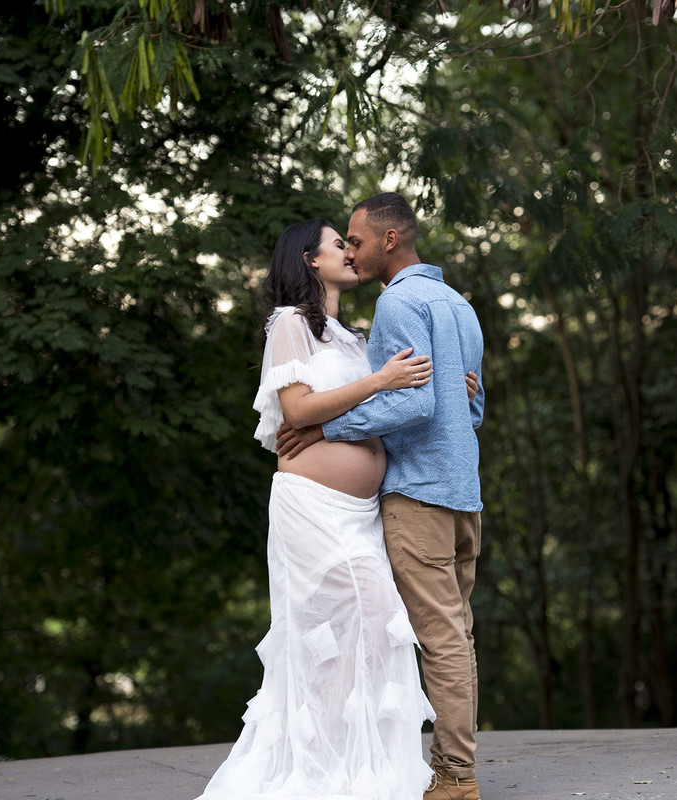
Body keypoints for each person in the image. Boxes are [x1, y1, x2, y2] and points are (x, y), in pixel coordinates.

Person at [196, 218, 469, 800]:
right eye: (337, 245)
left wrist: (451, 385)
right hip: (315, 510)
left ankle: (348, 766)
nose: (349, 252)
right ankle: (315, 769)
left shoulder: (351, 335)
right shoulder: (289, 323)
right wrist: (381, 380)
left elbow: (403, 401)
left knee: (364, 638)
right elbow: (298, 410)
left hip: (361, 513)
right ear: (308, 260)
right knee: (352, 623)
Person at [278, 193, 485, 800]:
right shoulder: (459, 305)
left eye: (357, 239)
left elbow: (414, 402)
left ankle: (454, 776)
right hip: (463, 495)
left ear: (389, 240)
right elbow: (472, 407)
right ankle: (397, 762)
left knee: (439, 638)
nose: (352, 249)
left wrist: (325, 428)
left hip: (419, 493)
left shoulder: (398, 301)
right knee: (457, 634)